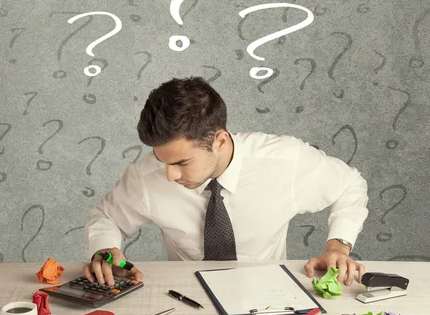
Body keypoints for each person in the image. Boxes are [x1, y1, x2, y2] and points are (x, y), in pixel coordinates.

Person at [83, 77, 369, 289]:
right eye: (162, 161)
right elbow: (107, 216)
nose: (169, 175)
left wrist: (337, 248)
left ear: (219, 141)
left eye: (181, 163)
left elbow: (349, 185)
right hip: (185, 296)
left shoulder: (284, 161)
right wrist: (105, 249)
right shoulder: (146, 177)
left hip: (270, 291)